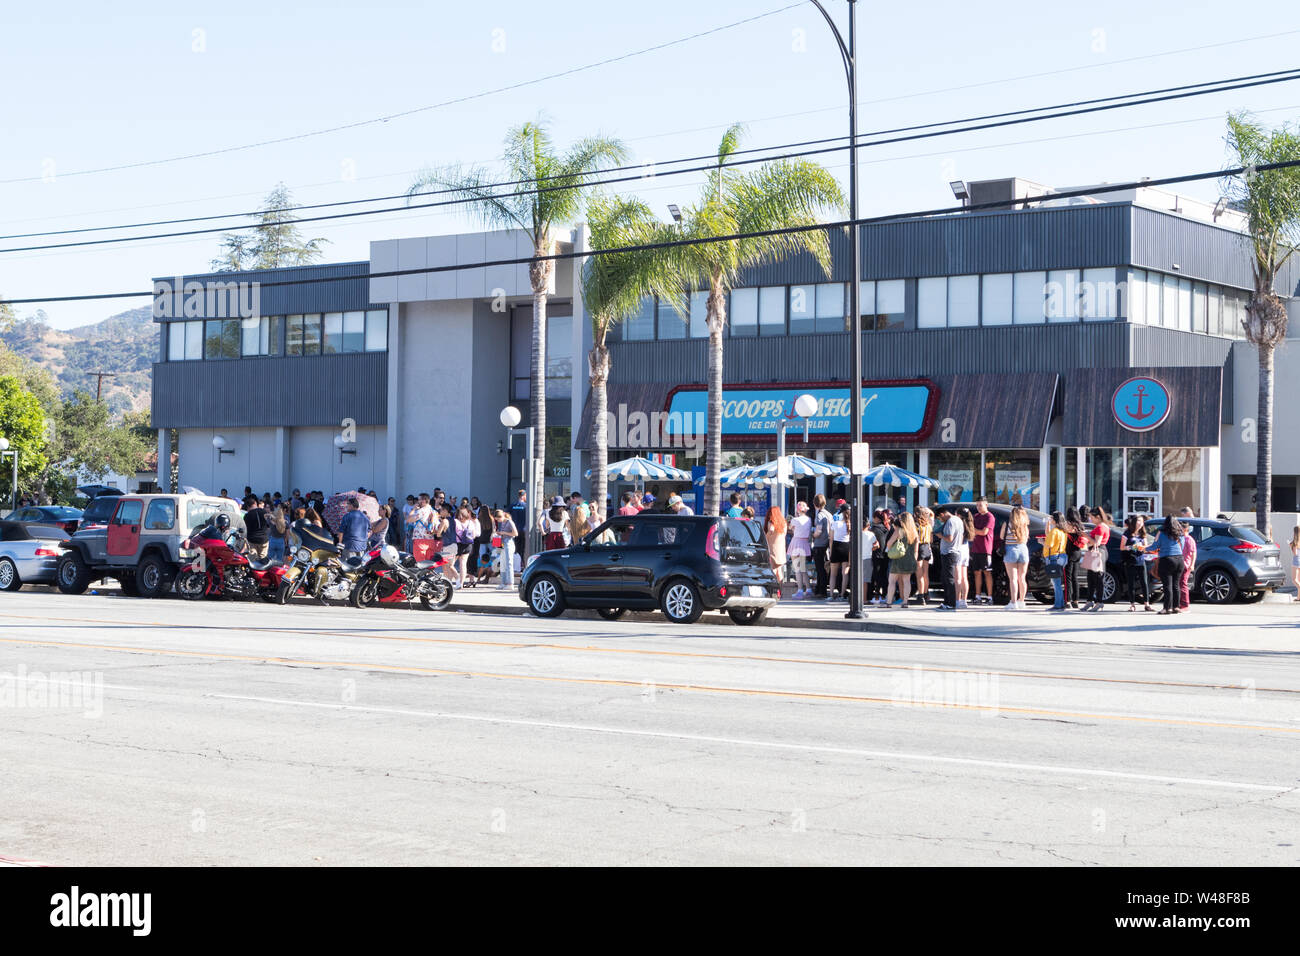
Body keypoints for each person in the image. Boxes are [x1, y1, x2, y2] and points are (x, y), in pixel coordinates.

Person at [1149, 516, 1186, 615]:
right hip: (1179, 559)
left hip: (1167, 559)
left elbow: (1155, 546)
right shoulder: (1180, 533)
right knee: (1176, 585)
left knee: (1167, 585)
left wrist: (1143, 549)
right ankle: (1176, 607)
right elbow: (1182, 545)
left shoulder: (1161, 533)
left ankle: (1167, 608)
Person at [882, 511, 918, 609]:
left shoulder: (899, 531)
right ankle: (905, 602)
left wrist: (891, 548)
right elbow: (916, 550)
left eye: (901, 519)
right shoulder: (915, 533)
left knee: (892, 581)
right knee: (907, 581)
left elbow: (889, 543)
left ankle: (888, 602)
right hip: (910, 559)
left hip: (898, 558)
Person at [1121, 515, 1154, 612]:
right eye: (1139, 521)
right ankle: (1132, 604)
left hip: (1140, 560)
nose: (1140, 523)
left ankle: (1147, 604)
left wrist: (1143, 547)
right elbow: (1122, 547)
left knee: (1144, 582)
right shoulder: (1127, 533)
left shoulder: (1142, 533)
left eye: (1142, 521)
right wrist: (1132, 547)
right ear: (1134, 522)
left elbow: (1145, 546)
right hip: (1130, 560)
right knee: (1131, 583)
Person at [1082, 507, 1112, 612]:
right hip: (1099, 551)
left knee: (1097, 578)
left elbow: (1097, 543)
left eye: (1091, 517)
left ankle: (1099, 601)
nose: (1090, 519)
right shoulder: (1103, 526)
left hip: (1098, 551)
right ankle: (1090, 600)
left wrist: (1085, 535)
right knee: (1091, 577)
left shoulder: (1100, 527)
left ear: (1098, 517)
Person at [1001, 506, 1030, 609]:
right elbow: (1026, 538)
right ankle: (1022, 601)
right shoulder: (1025, 526)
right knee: (1022, 578)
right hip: (1023, 549)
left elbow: (1001, 536)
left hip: (1010, 550)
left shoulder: (1007, 524)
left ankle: (1013, 602)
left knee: (1013, 579)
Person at [969, 496, 996, 605]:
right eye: (977, 505)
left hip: (985, 549)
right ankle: (978, 596)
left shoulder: (990, 517)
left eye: (981, 505)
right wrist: (973, 530)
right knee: (977, 573)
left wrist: (972, 529)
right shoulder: (976, 516)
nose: (979, 507)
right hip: (975, 548)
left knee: (987, 572)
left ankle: (989, 597)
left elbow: (983, 532)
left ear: (986, 505)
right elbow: (972, 531)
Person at [936, 505, 963, 611]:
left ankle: (951, 603)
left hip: (949, 552)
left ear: (942, 514)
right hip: (955, 551)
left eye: (940, 518)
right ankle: (947, 602)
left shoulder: (951, 521)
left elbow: (949, 538)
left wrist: (940, 536)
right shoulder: (958, 520)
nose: (941, 520)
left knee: (949, 579)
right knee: (946, 578)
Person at [1062, 506, 1087, 610]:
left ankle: (1067, 600)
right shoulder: (1080, 525)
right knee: (1074, 577)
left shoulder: (1068, 524)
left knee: (1067, 577)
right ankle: (1076, 600)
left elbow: (1064, 532)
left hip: (1069, 552)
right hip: (1078, 552)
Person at [809, 494, 833, 598]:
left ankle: (821, 590)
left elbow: (818, 531)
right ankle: (822, 588)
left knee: (820, 569)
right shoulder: (829, 514)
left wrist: (813, 535)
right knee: (825, 568)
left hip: (819, 544)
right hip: (827, 543)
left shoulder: (819, 515)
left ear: (814, 503)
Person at [1044, 512, 1069, 611]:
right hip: (1061, 555)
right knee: (1057, 581)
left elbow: (1049, 545)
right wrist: (1047, 525)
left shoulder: (1054, 531)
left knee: (1056, 582)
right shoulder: (1063, 531)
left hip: (1053, 556)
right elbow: (1048, 534)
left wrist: (1042, 543)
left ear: (1054, 520)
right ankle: (1061, 602)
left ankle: (1058, 604)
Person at [827, 503, 851, 601]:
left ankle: (831, 594)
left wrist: (831, 551)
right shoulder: (851, 524)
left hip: (836, 546)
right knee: (845, 573)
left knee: (833, 574)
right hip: (846, 547)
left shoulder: (835, 523)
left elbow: (831, 539)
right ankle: (842, 594)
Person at [788, 501, 812, 599]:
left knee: (797, 568)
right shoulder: (809, 519)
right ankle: (809, 589)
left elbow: (790, 528)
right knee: (803, 568)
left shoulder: (795, 520)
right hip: (804, 542)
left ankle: (800, 590)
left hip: (796, 542)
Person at [451, 505, 477, 588]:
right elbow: (474, 535)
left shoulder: (455, 521)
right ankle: (461, 583)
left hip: (458, 544)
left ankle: (452, 580)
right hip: (468, 544)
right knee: (463, 564)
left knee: (451, 564)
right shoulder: (470, 522)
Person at [913, 506, 934, 605]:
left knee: (919, 574)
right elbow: (931, 539)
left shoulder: (916, 525)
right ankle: (926, 593)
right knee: (926, 573)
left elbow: (915, 539)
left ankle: (920, 596)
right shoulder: (928, 525)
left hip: (920, 547)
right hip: (927, 548)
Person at [763, 507, 787, 589]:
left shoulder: (771, 522)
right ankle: (781, 588)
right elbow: (785, 534)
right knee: (779, 571)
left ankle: (771, 589)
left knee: (772, 570)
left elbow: (771, 530)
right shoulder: (783, 523)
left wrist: (766, 537)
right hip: (780, 550)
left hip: (772, 549)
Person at [495, 508, 519, 590]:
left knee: (509, 563)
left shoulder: (509, 522)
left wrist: (504, 533)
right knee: (502, 563)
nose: (498, 521)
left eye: (498, 519)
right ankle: (503, 582)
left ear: (502, 516)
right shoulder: (501, 523)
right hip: (502, 542)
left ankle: (510, 583)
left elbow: (515, 533)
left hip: (509, 542)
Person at [242, 496, 271, 561]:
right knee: (263, 559)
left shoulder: (247, 515)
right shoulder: (263, 512)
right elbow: (268, 525)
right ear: (255, 504)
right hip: (264, 539)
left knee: (252, 559)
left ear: (248, 507)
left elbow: (245, 529)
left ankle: (253, 570)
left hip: (252, 540)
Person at [1179, 523, 1197, 610]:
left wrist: (1192, 564)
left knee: (1183, 583)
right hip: (1179, 564)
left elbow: (1193, 552)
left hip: (1186, 564)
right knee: (1179, 584)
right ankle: (1179, 602)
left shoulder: (1189, 539)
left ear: (1185, 529)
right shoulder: (1180, 539)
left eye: (1181, 529)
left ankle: (1185, 604)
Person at [1290, 526, 1300, 603]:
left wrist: (1291, 546)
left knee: (1294, 580)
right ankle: (1298, 597)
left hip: (1296, 561)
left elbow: (1295, 553)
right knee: (1299, 580)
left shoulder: (1295, 542)